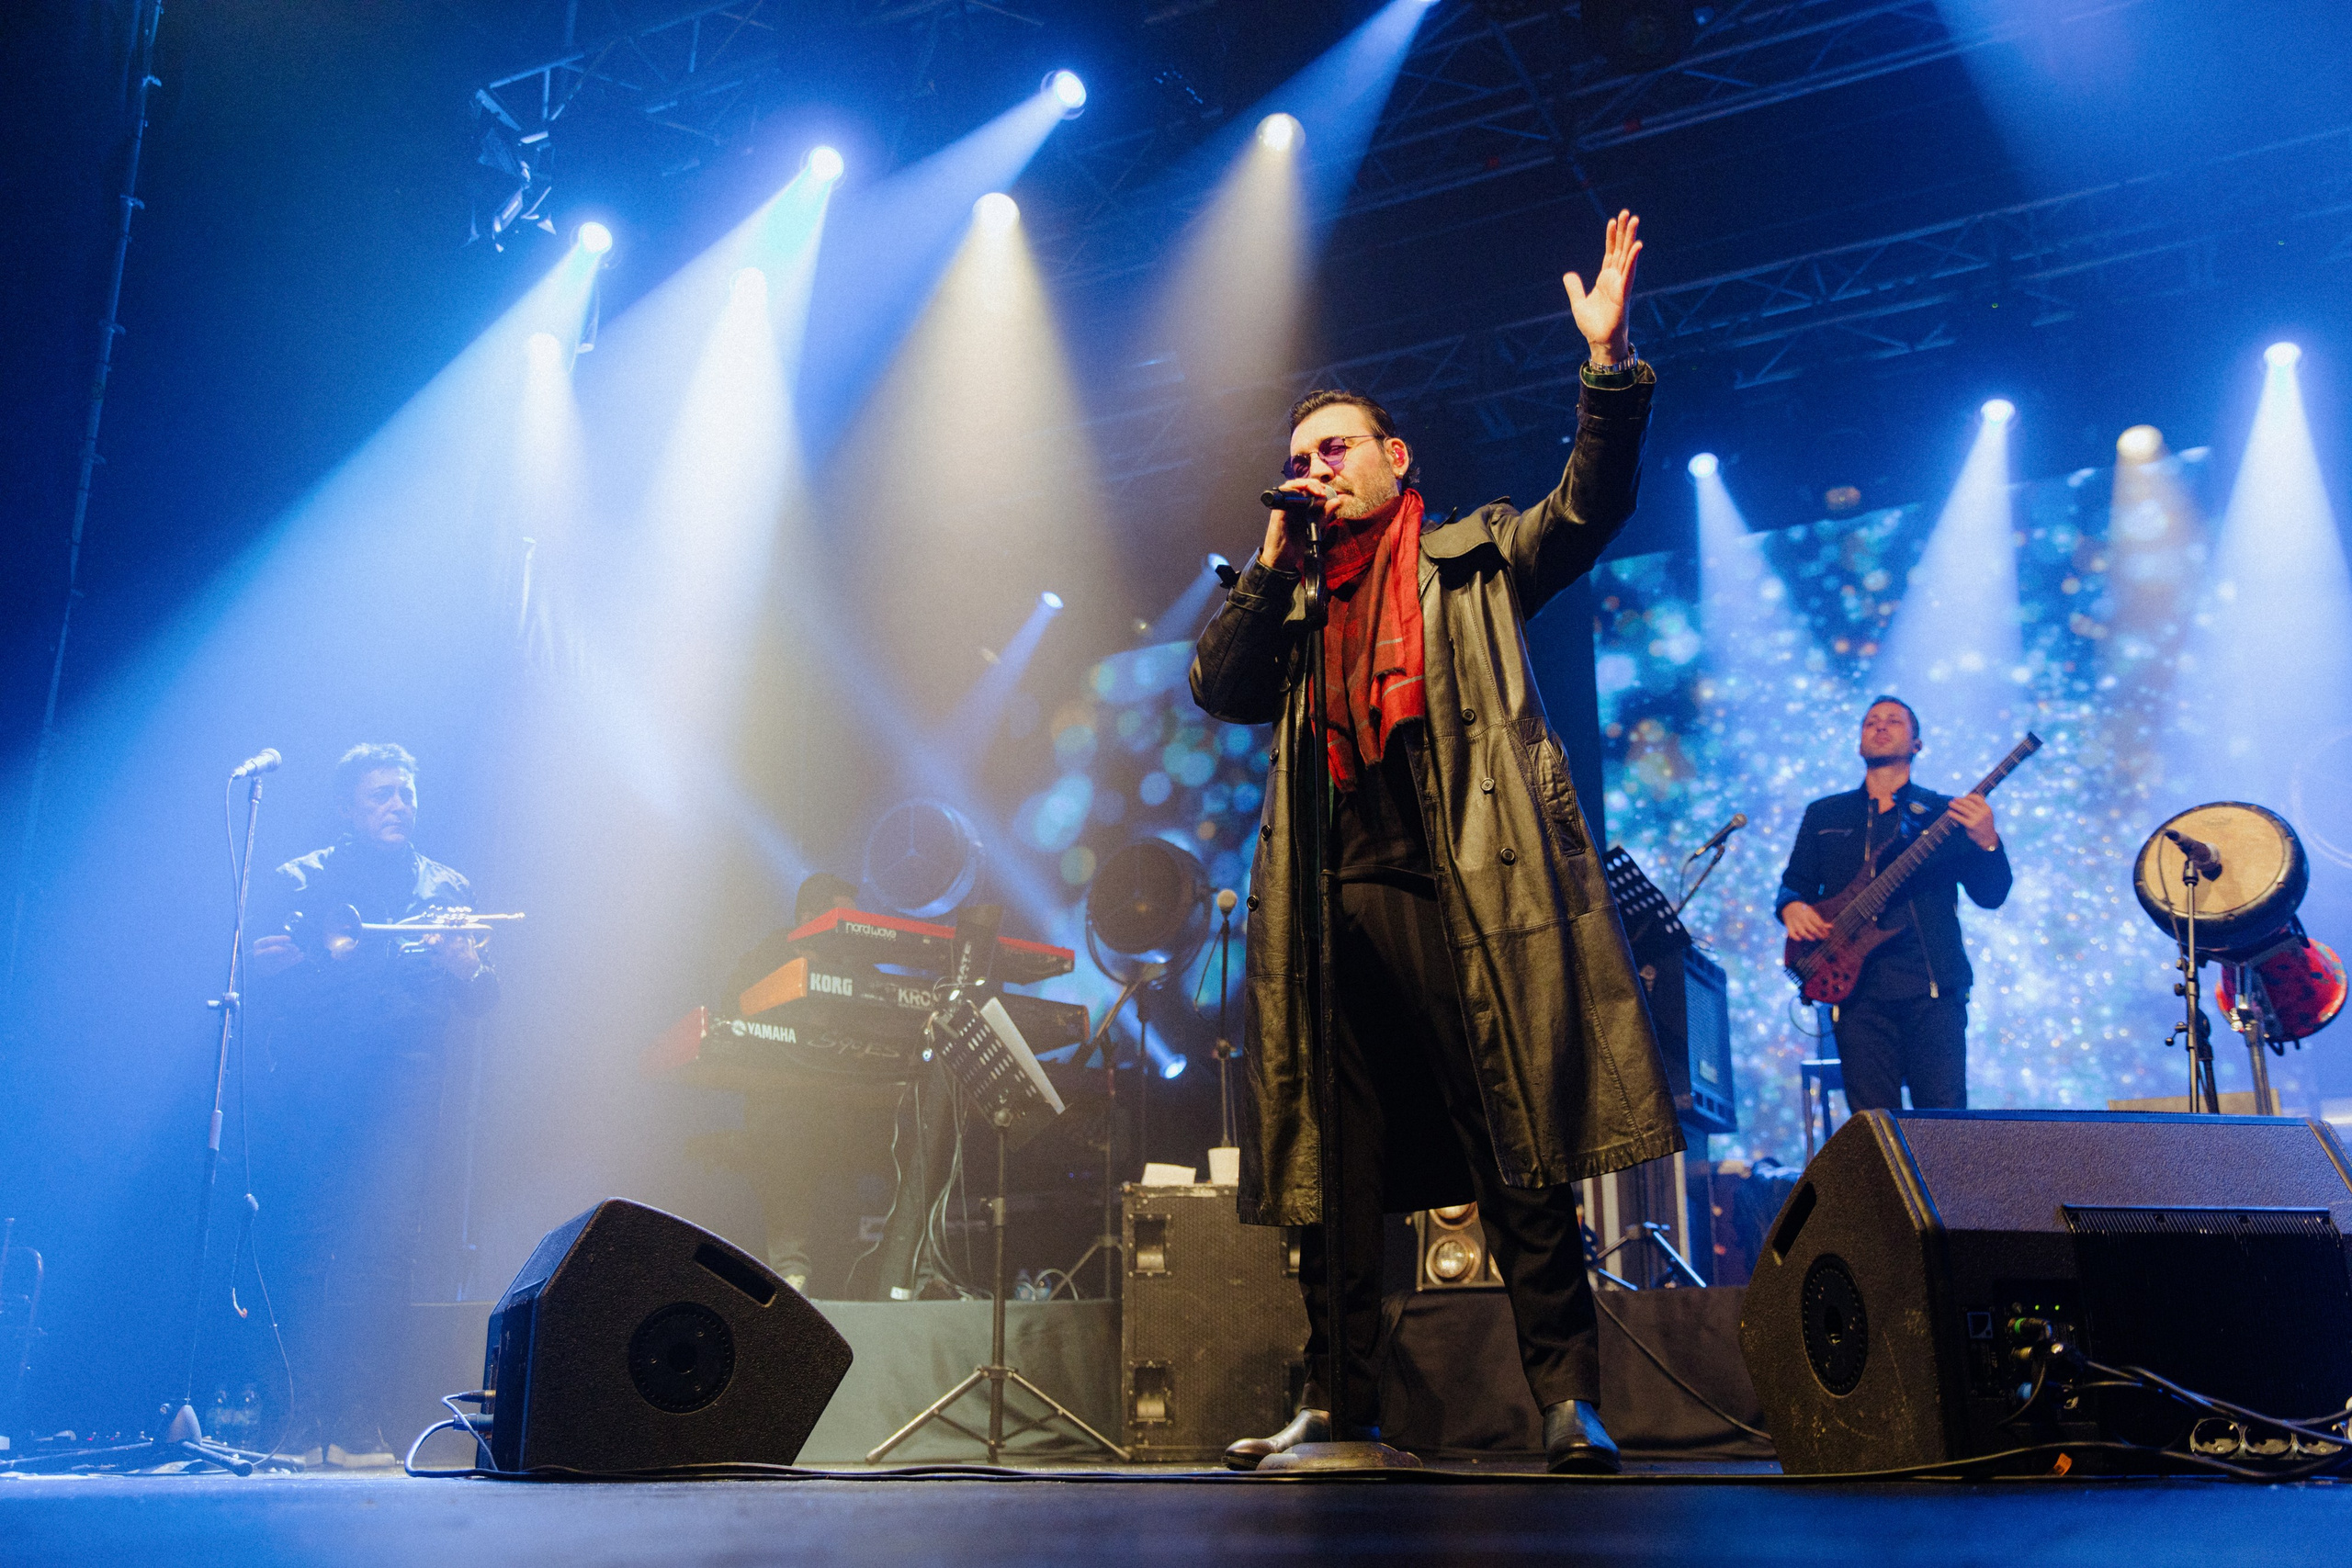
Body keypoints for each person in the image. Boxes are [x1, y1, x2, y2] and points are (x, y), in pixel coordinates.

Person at [1191, 212, 1681, 1475]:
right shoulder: (1292, 604)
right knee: (1334, 1178)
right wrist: (1264, 558)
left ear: (1396, 460)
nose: (1314, 468)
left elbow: (1591, 504)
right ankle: (1341, 1406)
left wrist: (1609, 367)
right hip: (1324, 911)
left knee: (1517, 1148)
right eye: (1299, 455)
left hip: (1469, 899)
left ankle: (1568, 1396)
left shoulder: (1468, 561)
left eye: (1334, 448)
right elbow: (1218, 690)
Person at [248, 743, 499, 1465]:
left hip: (404, 1090)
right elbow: (271, 980)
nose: (398, 805)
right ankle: (293, 1421)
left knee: (384, 1251)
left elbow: (485, 996)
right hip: (312, 1089)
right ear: (347, 808)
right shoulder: (302, 880)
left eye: (406, 794)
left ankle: (360, 1424)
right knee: (302, 1243)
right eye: (382, 794)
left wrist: (467, 962)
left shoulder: (446, 885)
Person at [1776, 696, 2010, 1111]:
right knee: (1874, 1128)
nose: (1881, 727)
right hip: (1856, 992)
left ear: (1917, 743)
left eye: (1894, 721)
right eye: (1871, 722)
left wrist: (1987, 840)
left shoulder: (1947, 813)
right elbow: (1794, 886)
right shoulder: (1824, 814)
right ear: (1859, 744)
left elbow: (1991, 895)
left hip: (1932, 986)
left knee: (1943, 1122)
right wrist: (1792, 908)